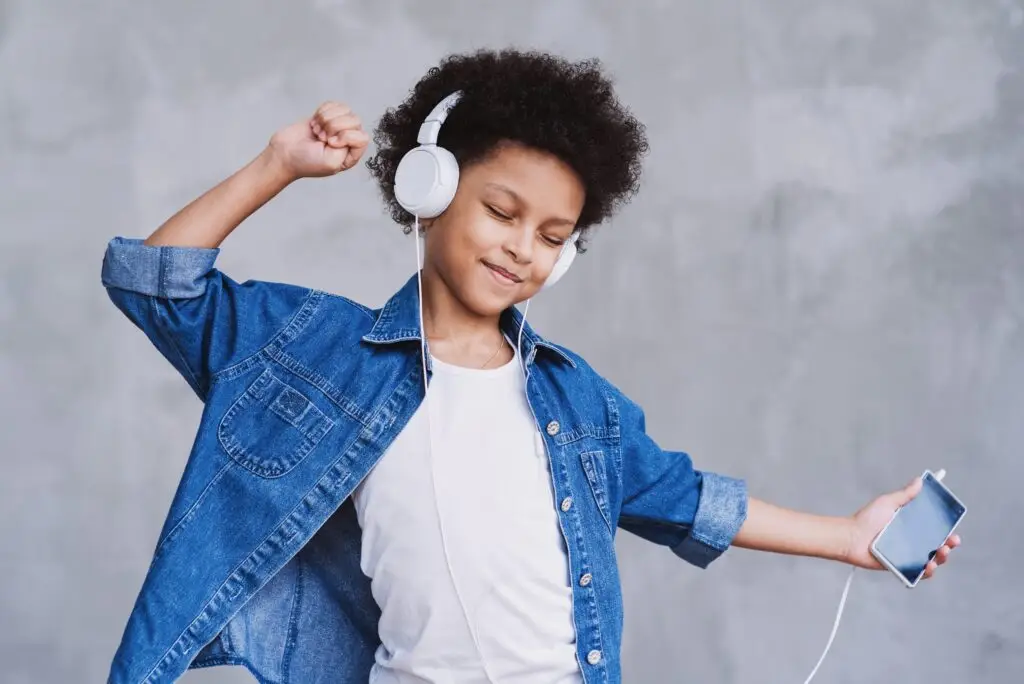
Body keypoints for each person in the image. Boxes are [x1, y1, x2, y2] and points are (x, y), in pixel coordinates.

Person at [100, 49, 960, 684]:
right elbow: (157, 284)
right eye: (502, 212)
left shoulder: (574, 400)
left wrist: (851, 538)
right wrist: (278, 166)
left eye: (552, 238)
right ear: (427, 190)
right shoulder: (316, 352)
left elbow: (687, 499)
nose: (523, 248)